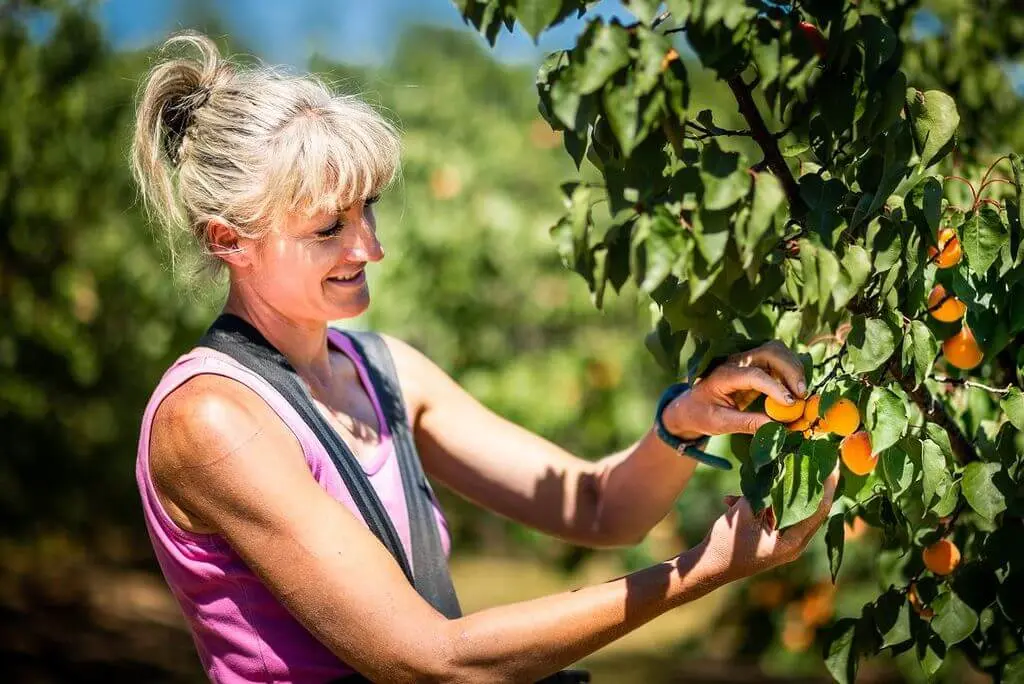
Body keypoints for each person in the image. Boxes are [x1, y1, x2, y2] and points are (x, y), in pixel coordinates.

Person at [131, 31, 838, 684]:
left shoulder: (385, 372)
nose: (370, 248)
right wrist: (700, 571)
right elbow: (427, 661)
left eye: (367, 210)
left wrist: (685, 422)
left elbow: (596, 507)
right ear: (229, 241)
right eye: (328, 229)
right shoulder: (213, 420)